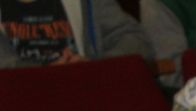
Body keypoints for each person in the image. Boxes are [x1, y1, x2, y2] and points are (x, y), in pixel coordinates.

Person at [0, 0, 153, 68]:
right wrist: (46, 72)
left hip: (87, 95)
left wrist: (93, 65)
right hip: (19, 104)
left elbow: (136, 41)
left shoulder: (88, 3)